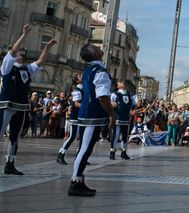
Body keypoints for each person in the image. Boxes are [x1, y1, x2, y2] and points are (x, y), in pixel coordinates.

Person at [0, 25, 56, 178]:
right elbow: (11, 51)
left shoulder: (26, 69)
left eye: (20, 53)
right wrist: (24, 35)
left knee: (15, 137)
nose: (19, 54)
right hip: (6, 104)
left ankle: (10, 164)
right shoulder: (7, 65)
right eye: (18, 52)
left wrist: (47, 47)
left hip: (21, 106)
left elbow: (40, 60)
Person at [69, 43, 114, 197]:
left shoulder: (88, 69)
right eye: (95, 47)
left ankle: (79, 180)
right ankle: (75, 183)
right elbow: (102, 97)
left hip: (86, 112)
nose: (98, 47)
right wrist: (111, 114)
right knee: (85, 148)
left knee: (84, 147)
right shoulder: (99, 71)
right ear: (93, 54)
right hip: (93, 114)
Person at [57, 74, 83, 165]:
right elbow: (76, 104)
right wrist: (87, 107)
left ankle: (80, 156)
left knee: (82, 137)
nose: (82, 76)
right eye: (80, 76)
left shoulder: (84, 88)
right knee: (72, 136)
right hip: (76, 116)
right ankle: (61, 154)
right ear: (77, 80)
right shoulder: (77, 90)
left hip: (82, 116)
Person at [109, 80, 135, 160]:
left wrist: (132, 110)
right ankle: (112, 152)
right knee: (116, 135)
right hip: (117, 117)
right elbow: (109, 103)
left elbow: (133, 104)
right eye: (120, 82)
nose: (122, 82)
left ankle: (123, 152)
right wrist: (112, 104)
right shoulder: (114, 94)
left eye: (122, 81)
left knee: (125, 136)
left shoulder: (129, 94)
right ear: (117, 86)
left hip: (126, 118)